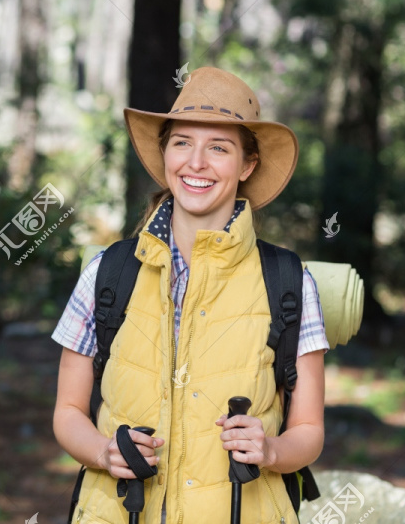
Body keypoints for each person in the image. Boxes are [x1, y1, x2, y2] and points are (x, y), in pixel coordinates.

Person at [52, 67, 327, 524]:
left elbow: (310, 432)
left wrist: (272, 449)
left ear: (247, 165)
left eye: (218, 148)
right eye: (182, 143)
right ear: (165, 156)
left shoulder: (290, 282)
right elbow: (67, 411)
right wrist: (104, 451)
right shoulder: (108, 273)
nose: (195, 162)